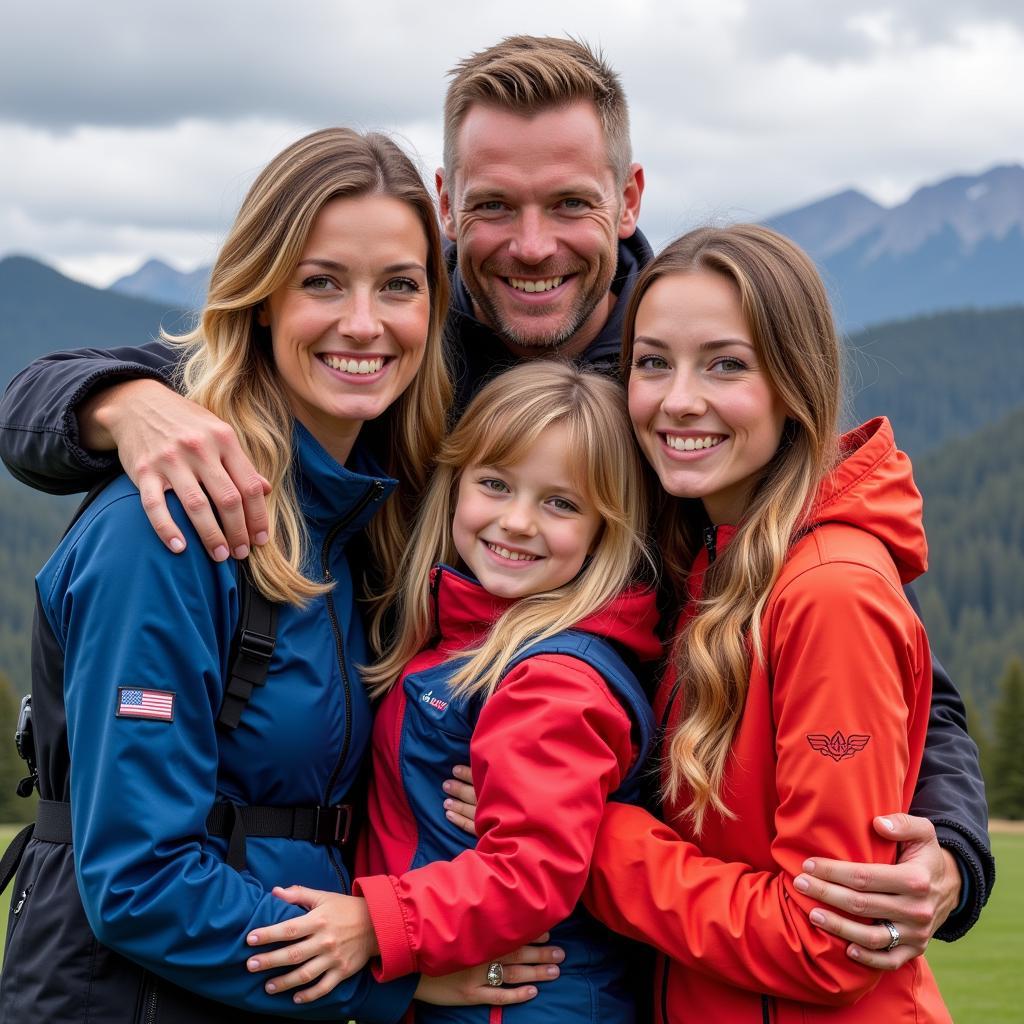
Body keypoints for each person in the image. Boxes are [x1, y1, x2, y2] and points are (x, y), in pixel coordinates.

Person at [0, 36, 992, 956]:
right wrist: (121, 404)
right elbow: (59, 399)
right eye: (491, 207)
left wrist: (948, 846)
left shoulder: (683, 403)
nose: (529, 245)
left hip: (614, 938)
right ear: (445, 200)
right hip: (396, 914)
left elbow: (878, 645)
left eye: (567, 204)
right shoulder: (391, 344)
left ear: (630, 193)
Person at [0, 128, 560, 1023]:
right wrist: (389, 975)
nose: (365, 323)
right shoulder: (176, 524)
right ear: (261, 297)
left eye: (400, 287)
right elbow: (140, 882)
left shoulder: (368, 508)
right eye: (322, 282)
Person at [584, 223, 951, 1021]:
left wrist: (587, 838)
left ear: (793, 383)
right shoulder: (705, 554)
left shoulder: (829, 594)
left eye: (726, 364)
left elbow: (828, 939)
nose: (679, 399)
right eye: (653, 363)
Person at [242, 361, 661, 1021]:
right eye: (495, 484)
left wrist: (375, 925)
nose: (518, 521)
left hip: (524, 1005)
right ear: (455, 485)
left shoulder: (552, 679)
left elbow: (528, 874)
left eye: (561, 503)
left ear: (607, 528)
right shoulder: (463, 641)